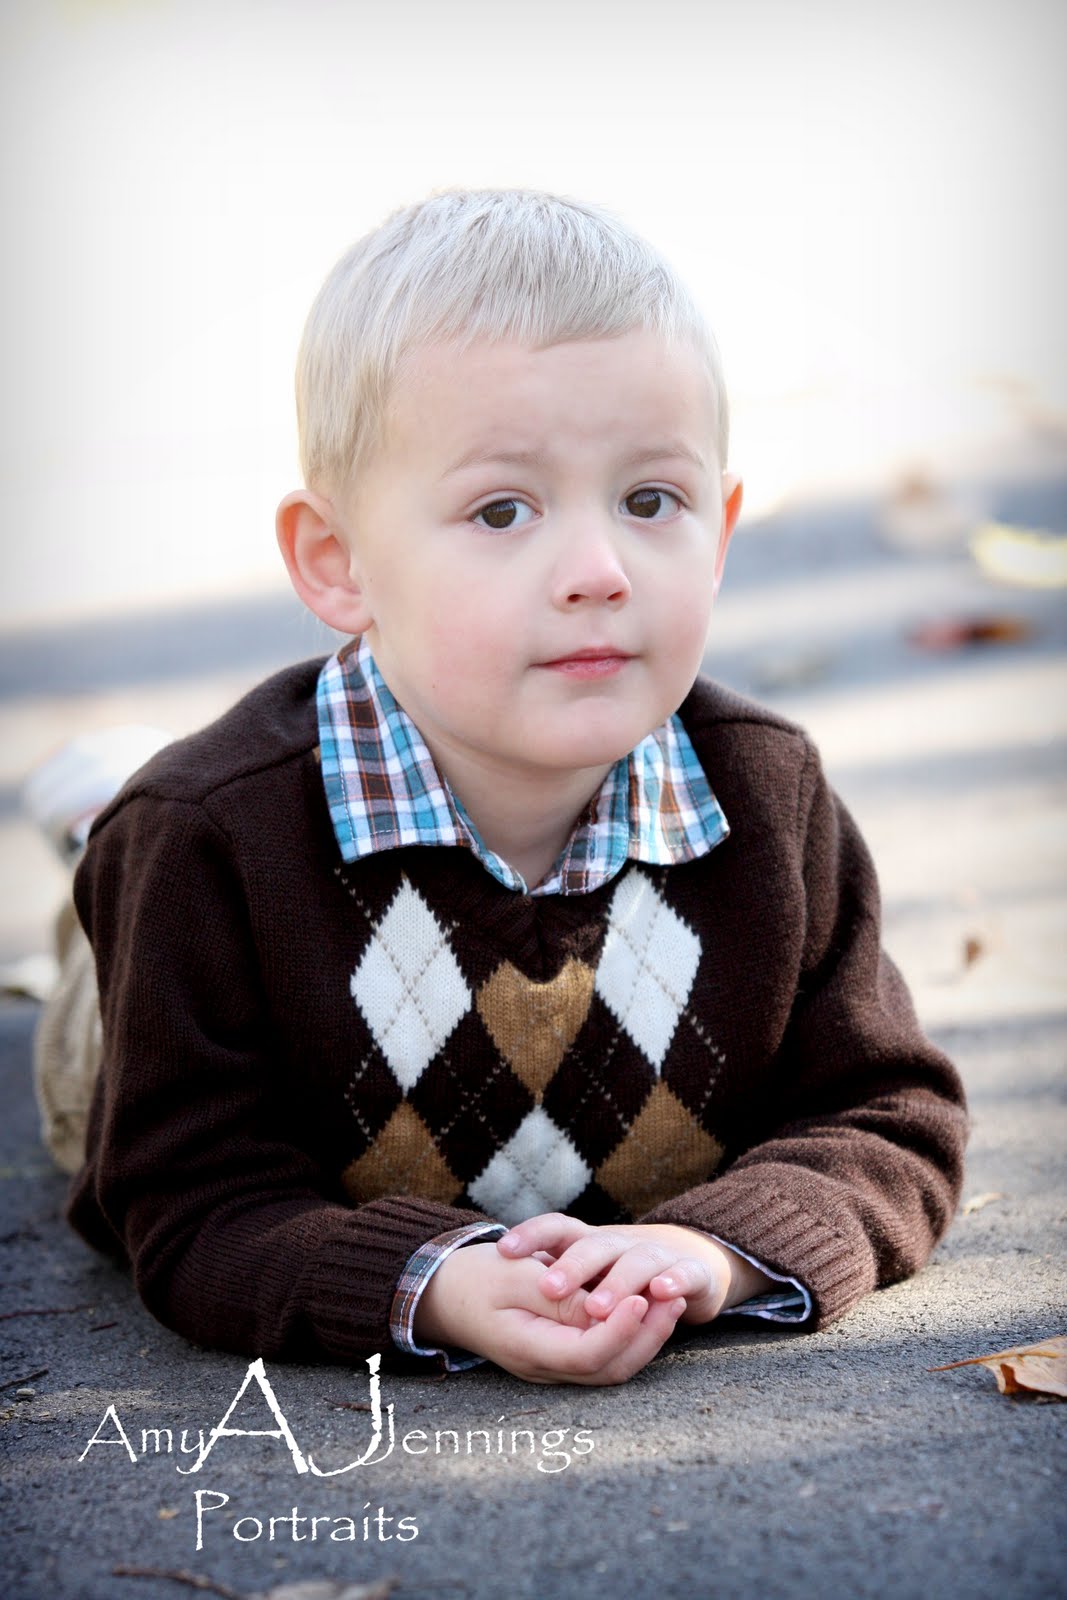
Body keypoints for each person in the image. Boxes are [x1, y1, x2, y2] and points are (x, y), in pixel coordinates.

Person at [37, 188, 968, 1387]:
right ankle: (89, 808)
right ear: (339, 563)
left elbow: (887, 1117)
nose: (595, 570)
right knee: (97, 936)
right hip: (139, 1002)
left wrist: (712, 1249)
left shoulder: (766, 798)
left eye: (649, 501)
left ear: (721, 529)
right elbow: (189, 1202)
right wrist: (431, 1283)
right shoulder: (206, 843)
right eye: (500, 509)